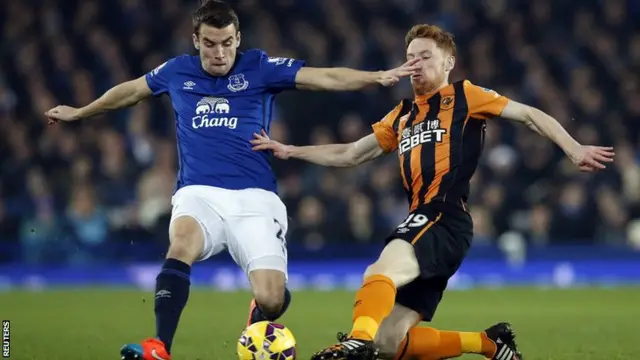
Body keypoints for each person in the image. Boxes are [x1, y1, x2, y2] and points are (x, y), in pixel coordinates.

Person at [43, 1, 421, 359]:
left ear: (238, 39)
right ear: (196, 41)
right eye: (210, 44)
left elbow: (323, 77)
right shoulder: (177, 71)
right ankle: (160, 345)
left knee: (273, 299)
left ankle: (258, 313)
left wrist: (375, 76)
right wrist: (81, 112)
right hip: (199, 192)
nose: (219, 53)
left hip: (255, 198)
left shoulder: (260, 67)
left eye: (227, 43)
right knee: (182, 243)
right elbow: (130, 91)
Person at [251, 24, 615, 360]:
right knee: (390, 341)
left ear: (448, 62)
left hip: (443, 214)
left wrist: (574, 148)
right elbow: (351, 152)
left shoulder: (465, 96)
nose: (416, 63)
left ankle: (357, 341)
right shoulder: (403, 115)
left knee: (380, 272)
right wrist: (290, 150)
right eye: (410, 57)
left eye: (426, 56)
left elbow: (531, 115)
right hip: (427, 221)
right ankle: (489, 343)